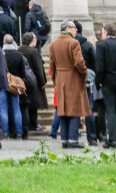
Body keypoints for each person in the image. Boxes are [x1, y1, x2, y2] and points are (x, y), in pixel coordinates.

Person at [49, 20, 90, 149]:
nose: (76, 30)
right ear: (67, 28)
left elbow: (52, 65)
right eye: (74, 28)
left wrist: (55, 79)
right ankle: (73, 140)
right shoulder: (74, 43)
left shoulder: (53, 44)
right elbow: (79, 62)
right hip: (73, 78)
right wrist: (84, 73)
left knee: (62, 110)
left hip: (60, 79)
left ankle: (65, 140)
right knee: (74, 109)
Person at [19, 32, 47, 132]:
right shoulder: (33, 51)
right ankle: (34, 124)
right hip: (33, 81)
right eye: (34, 38)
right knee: (34, 106)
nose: (36, 40)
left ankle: (27, 124)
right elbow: (38, 68)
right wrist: (42, 82)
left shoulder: (19, 49)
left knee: (25, 105)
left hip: (22, 81)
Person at [1, 35, 26, 140]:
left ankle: (5, 134)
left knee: (3, 109)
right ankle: (19, 134)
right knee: (16, 108)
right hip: (15, 83)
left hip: (2, 82)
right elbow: (23, 72)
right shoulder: (19, 55)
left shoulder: (1, 54)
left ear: (3, 42)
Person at [96, 22, 116, 149]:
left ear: (106, 33)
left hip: (108, 81)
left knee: (110, 110)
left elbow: (100, 65)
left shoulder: (102, 44)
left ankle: (112, 139)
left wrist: (99, 80)